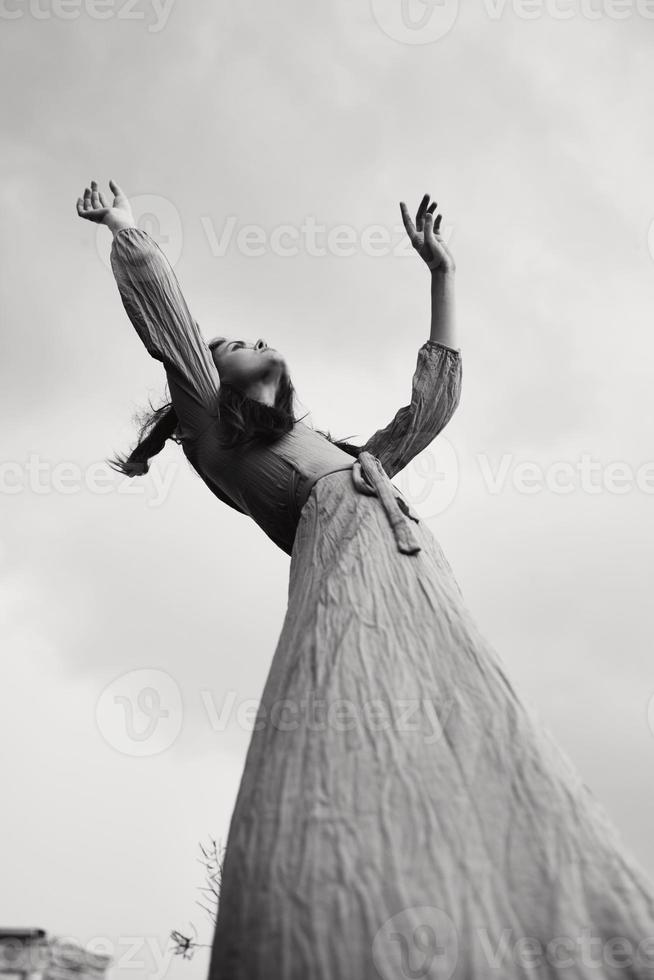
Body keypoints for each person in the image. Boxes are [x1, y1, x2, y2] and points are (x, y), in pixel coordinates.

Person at [77, 183, 654, 980]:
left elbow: (428, 411)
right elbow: (171, 323)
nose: (252, 338)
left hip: (420, 574)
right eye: (232, 342)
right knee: (349, 707)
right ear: (206, 386)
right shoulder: (213, 431)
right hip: (348, 576)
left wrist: (441, 275)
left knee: (477, 724)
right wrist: (124, 226)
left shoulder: (350, 458)